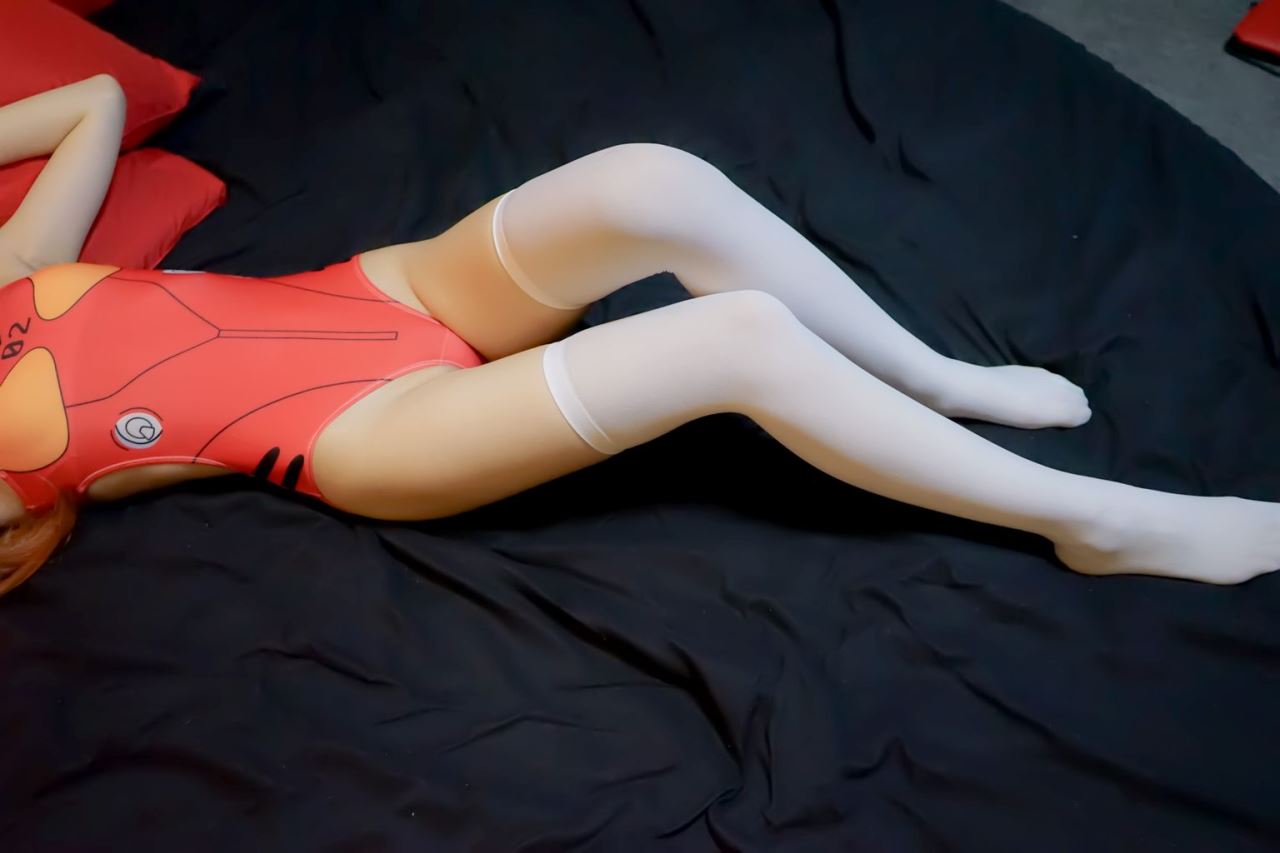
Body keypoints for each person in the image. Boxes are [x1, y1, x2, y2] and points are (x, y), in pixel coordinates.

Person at [2, 76, 1277, 597]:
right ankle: (1094, 523)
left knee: (649, 181)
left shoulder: (14, 262)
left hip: (374, 294)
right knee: (733, 340)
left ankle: (935, 381)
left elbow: (96, 98)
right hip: (348, 432)